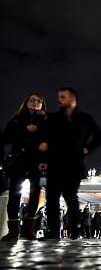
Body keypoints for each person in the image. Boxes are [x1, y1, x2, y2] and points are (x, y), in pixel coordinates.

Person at [40, 87, 101, 239]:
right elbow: (45, 137)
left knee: (70, 197)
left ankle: (75, 230)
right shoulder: (54, 118)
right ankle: (53, 231)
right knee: (52, 198)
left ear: (72, 99)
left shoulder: (85, 119)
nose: (59, 100)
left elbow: (100, 136)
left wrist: (87, 149)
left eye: (62, 97)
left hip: (74, 165)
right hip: (54, 163)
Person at [1, 93, 47, 241]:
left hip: (38, 164)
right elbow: (4, 139)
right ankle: (13, 231)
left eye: (39, 101)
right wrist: (24, 130)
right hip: (18, 163)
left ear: (42, 104)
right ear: (26, 102)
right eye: (32, 100)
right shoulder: (16, 120)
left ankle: (28, 230)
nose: (35, 102)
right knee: (14, 196)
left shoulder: (48, 122)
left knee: (35, 197)